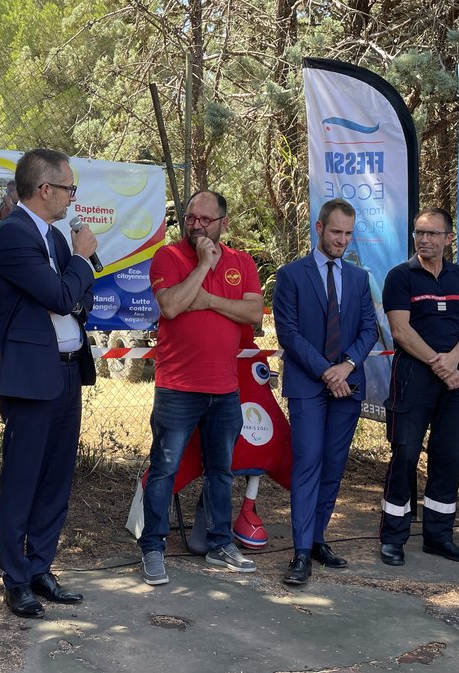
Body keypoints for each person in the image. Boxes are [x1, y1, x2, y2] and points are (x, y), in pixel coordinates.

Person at [0, 148, 97, 618]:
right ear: (45, 189)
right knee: (23, 480)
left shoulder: (55, 238)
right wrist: (85, 261)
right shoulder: (12, 236)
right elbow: (60, 294)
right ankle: (15, 579)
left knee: (56, 478)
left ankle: (39, 567)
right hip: (32, 378)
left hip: (67, 370)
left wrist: (78, 272)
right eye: (69, 188)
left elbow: (75, 300)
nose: (74, 197)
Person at [139, 190, 264, 585]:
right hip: (178, 386)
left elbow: (254, 313)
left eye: (205, 220)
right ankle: (153, 548)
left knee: (221, 471)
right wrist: (203, 266)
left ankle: (220, 544)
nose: (195, 225)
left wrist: (207, 298)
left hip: (225, 387)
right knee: (165, 469)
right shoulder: (168, 257)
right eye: (191, 217)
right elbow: (172, 305)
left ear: (223, 224)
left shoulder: (242, 262)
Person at [273, 198, 378, 581]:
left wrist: (346, 366)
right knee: (308, 463)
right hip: (308, 386)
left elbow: (370, 329)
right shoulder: (291, 275)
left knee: (333, 466)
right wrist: (326, 373)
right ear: (319, 229)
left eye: (349, 234)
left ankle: (318, 539)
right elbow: (289, 333)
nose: (343, 240)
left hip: (347, 385)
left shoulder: (358, 278)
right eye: (337, 232)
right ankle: (300, 552)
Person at [378, 208, 459, 566]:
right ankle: (393, 537)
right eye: (420, 233)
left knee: (449, 456)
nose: (425, 240)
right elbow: (401, 332)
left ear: (448, 238)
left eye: (433, 234)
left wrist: (454, 361)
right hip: (414, 376)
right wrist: (441, 363)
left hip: (454, 378)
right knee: (405, 454)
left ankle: (438, 536)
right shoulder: (400, 276)